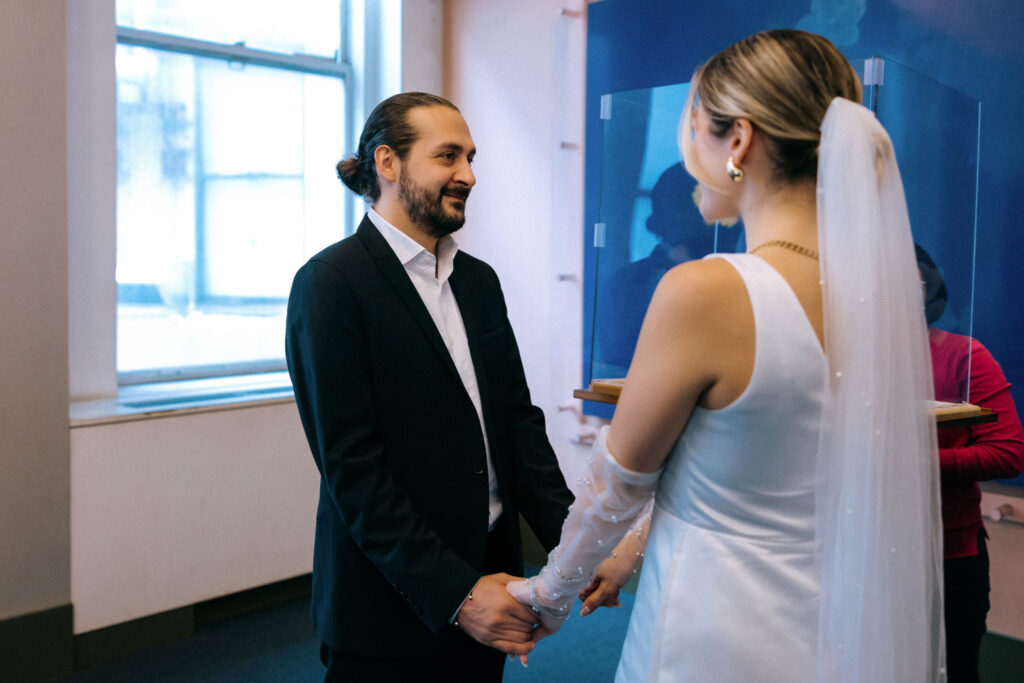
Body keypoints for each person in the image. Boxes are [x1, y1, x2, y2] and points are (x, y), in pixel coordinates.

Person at [508, 29, 945, 681]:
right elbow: (740, 469)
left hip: (715, 633)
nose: (686, 162)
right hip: (837, 633)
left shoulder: (706, 290)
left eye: (694, 132)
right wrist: (629, 552)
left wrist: (548, 592)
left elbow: (616, 485)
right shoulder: (881, 298)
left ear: (737, 140)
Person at [286, 92, 573, 682]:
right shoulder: (330, 285)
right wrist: (458, 594)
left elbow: (518, 425)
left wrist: (573, 546)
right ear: (387, 163)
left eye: (470, 158)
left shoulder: (478, 281)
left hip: (494, 584)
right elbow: (354, 473)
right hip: (391, 605)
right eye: (448, 157)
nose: (468, 175)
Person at [917, 245, 1024, 682]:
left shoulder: (963, 354)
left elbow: (1009, 452)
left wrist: (918, 462)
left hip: (948, 557)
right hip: (855, 551)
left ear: (924, 289)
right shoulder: (840, 358)